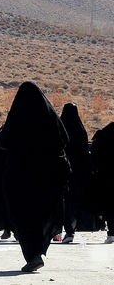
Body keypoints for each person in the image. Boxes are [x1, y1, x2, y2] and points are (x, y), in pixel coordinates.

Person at [0, 82, 70, 272]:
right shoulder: (50, 117)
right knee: (42, 213)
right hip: (47, 176)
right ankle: (39, 251)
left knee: (23, 214)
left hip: (20, 175)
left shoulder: (17, 117)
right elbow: (65, 139)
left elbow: (3, 142)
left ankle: (33, 254)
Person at [59, 103, 94, 243]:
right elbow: (85, 151)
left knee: (62, 202)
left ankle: (60, 231)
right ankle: (71, 230)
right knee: (74, 201)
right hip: (78, 173)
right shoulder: (80, 130)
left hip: (62, 171)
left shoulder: (60, 129)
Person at [90, 122, 114, 244]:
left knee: (110, 205)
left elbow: (94, 152)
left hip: (107, 176)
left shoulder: (105, 133)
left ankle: (111, 232)